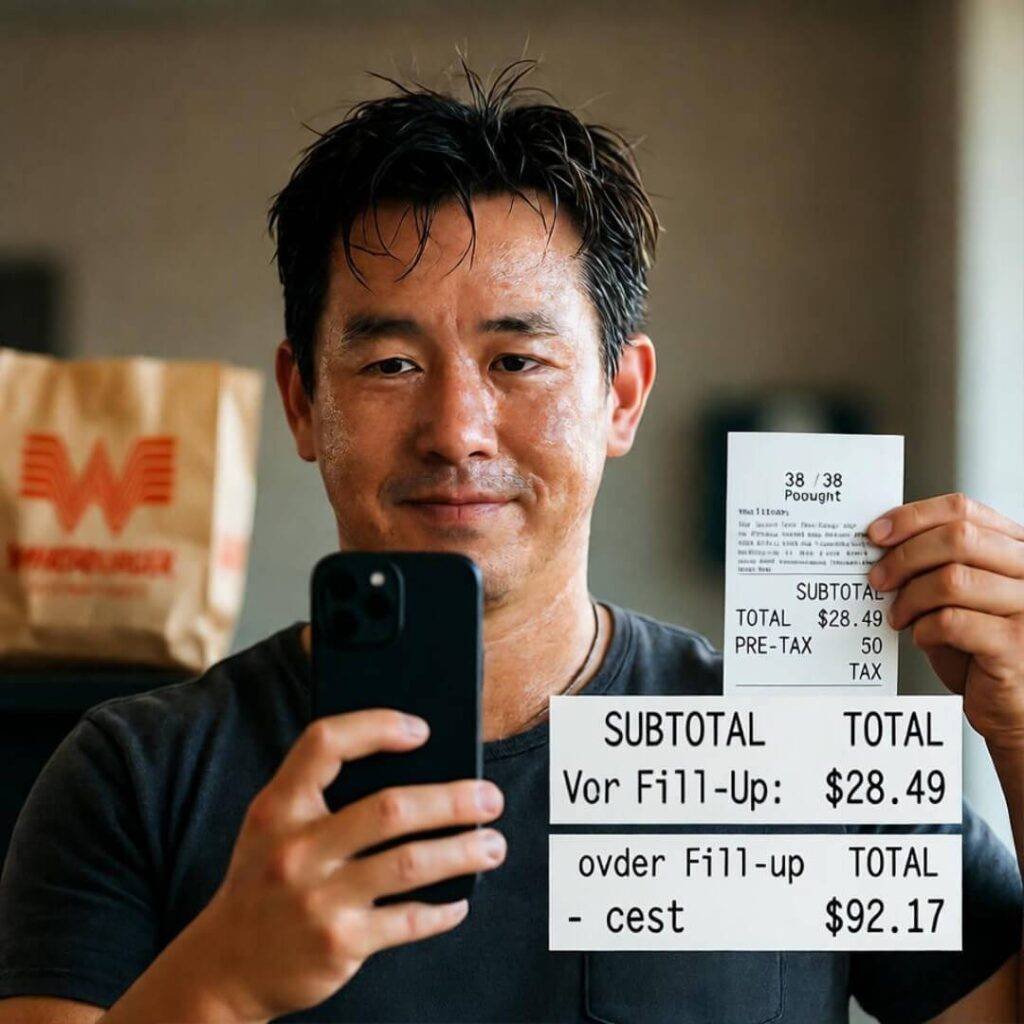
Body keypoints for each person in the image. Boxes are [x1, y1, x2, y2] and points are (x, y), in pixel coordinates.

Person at [0, 59, 1021, 1024]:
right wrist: (220, 984)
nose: (456, 430)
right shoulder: (135, 776)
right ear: (303, 401)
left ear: (621, 398)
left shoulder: (798, 763)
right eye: (392, 363)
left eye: (517, 359)